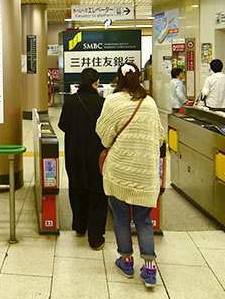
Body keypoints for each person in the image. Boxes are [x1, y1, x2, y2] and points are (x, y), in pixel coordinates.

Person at [96, 63, 164, 288]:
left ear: (118, 78)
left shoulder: (112, 101)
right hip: (146, 174)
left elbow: (104, 136)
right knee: (144, 220)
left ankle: (126, 261)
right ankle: (149, 269)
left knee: (122, 219)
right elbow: (160, 136)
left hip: (119, 172)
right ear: (139, 77)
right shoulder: (150, 102)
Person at [58, 68, 108, 250]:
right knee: (97, 192)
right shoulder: (102, 103)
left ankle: (80, 226)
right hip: (96, 155)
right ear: (96, 83)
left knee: (77, 188)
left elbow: (62, 125)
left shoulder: (71, 101)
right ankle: (95, 236)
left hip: (74, 153)